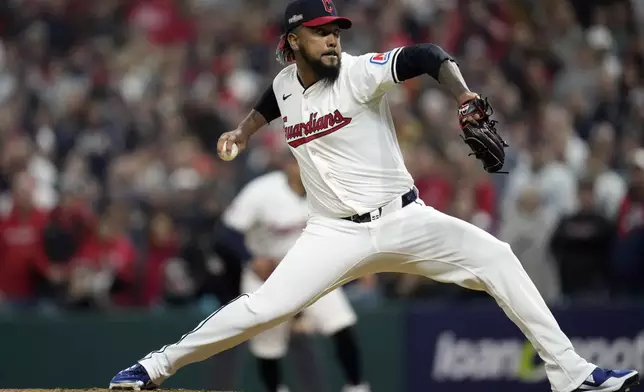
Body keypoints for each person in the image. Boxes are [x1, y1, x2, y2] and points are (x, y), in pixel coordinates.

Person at [109, 1, 640, 392]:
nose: (334, 39)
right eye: (320, 33)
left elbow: (429, 55)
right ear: (294, 42)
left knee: (496, 257)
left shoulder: (360, 74)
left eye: (336, 30)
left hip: (404, 219)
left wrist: (464, 95)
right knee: (264, 309)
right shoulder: (286, 85)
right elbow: (271, 101)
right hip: (332, 232)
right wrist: (242, 132)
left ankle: (572, 374)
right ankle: (154, 367)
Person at [217, 151, 369, 392]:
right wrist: (251, 259)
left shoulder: (326, 191)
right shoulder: (262, 191)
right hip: (266, 274)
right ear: (288, 165)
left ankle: (357, 387)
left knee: (341, 323)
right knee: (268, 345)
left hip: (308, 269)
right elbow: (226, 234)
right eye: (302, 162)